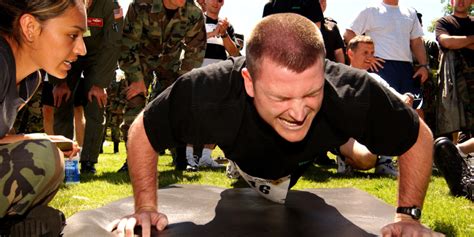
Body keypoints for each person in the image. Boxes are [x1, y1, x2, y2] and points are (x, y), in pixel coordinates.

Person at [110, 13, 442, 237]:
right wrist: (146, 208)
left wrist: (407, 216)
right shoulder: (209, 90)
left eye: (311, 92)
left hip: (314, 146)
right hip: (247, 156)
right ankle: (240, 170)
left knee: (365, 158)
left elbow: (418, 137)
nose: (297, 112)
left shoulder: (350, 89)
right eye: (281, 97)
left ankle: (340, 141)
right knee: (252, 175)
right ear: (249, 82)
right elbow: (142, 130)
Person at [0, 0, 85, 235]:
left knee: (50, 154)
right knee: (42, 156)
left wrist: (43, 139)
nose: (82, 49)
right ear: (30, 27)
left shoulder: (29, 79)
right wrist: (39, 145)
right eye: (72, 35)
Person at [117, 0, 207, 172]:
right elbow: (127, 46)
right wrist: (136, 79)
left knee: (180, 104)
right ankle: (133, 160)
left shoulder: (193, 13)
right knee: (135, 101)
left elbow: (195, 52)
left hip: (170, 62)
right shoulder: (141, 5)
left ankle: (180, 158)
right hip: (140, 59)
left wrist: (183, 83)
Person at [49, 0, 123, 174]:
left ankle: (89, 161)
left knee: (96, 103)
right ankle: (65, 159)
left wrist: (100, 84)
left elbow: (112, 45)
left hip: (97, 58)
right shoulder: (62, 4)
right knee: (62, 100)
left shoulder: (110, 6)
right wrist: (59, 82)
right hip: (68, 53)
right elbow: (52, 39)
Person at [336, 35, 414, 176]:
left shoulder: (375, 78)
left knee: (398, 111)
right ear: (350, 53)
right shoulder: (340, 77)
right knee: (367, 160)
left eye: (372, 53)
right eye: (365, 53)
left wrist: (406, 97)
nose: (370, 57)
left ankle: (384, 163)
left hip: (367, 132)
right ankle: (344, 158)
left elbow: (395, 95)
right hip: (344, 135)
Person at [344, 0, 429, 114]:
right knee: (383, 111)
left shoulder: (411, 12)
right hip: (380, 67)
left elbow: (416, 42)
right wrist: (369, 58)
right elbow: (349, 33)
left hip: (407, 69)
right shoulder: (370, 10)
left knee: (415, 110)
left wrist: (423, 65)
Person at [184, 0, 239, 171]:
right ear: (204, 2)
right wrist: (213, 32)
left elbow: (235, 52)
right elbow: (188, 42)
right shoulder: (195, 20)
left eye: (220, 0)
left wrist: (223, 34)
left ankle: (206, 157)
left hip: (219, 75)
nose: (217, 3)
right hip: (197, 73)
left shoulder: (227, 26)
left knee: (216, 115)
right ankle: (189, 156)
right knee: (194, 115)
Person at [433, 0, 473, 201]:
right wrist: (470, 40)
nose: (462, 1)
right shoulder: (445, 21)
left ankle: (459, 153)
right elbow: (446, 42)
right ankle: (452, 156)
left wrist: (460, 41)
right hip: (454, 78)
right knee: (453, 121)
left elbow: (453, 42)